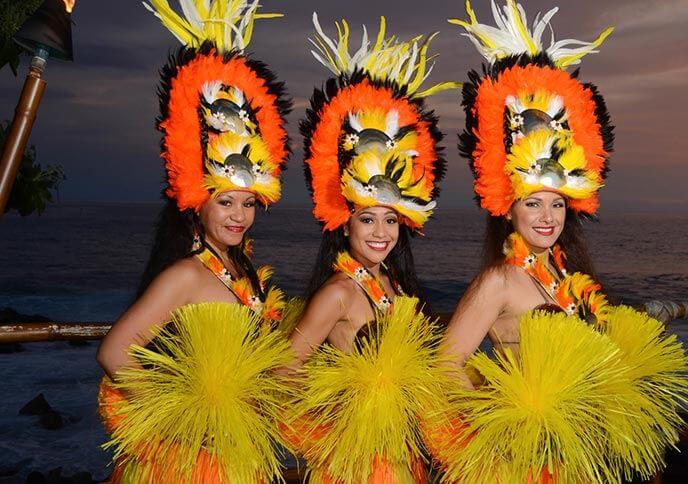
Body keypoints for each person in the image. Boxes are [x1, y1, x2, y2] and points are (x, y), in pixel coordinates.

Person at [425, 2, 688, 482]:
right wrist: (497, 422)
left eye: (556, 204)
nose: (547, 217)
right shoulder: (499, 281)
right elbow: (445, 366)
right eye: (532, 204)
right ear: (508, 207)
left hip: (574, 455)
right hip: (524, 463)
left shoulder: (565, 277)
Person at [95, 1, 292, 482]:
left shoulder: (241, 271)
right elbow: (115, 352)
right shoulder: (185, 273)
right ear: (198, 204)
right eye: (226, 203)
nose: (239, 216)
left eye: (248, 204)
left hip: (232, 450)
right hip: (186, 460)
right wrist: (182, 419)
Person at [280, 13, 454, 484]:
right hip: (357, 465)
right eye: (367, 218)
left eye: (391, 218)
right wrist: (335, 421)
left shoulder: (392, 284)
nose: (381, 232)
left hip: (402, 457)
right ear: (345, 223)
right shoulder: (337, 292)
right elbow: (283, 371)